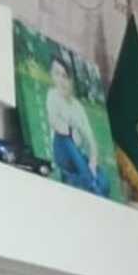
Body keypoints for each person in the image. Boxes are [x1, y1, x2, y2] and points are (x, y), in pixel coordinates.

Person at [46, 53, 108, 197]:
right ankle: (88, 183)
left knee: (104, 182)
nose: (61, 80)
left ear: (71, 80)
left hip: (77, 156)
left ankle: (77, 179)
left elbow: (91, 139)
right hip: (61, 151)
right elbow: (55, 123)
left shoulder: (78, 107)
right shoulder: (52, 95)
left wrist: (93, 161)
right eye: (57, 74)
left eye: (65, 76)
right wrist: (74, 126)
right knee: (65, 135)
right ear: (52, 76)